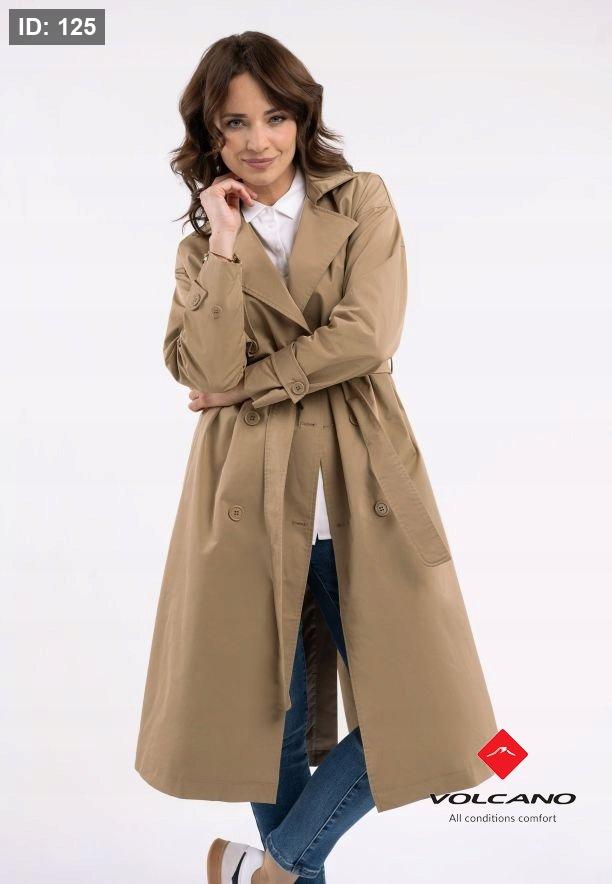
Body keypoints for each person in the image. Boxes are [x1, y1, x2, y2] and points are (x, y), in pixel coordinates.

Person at [135, 29, 499, 884]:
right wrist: (225, 244)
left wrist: (254, 385)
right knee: (271, 727)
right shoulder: (202, 250)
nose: (258, 140)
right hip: (246, 499)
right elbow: (202, 369)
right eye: (235, 123)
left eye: (275, 117)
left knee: (434, 711)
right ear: (211, 136)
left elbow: (369, 335)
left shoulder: (361, 199)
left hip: (363, 485)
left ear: (302, 117)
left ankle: (267, 870)